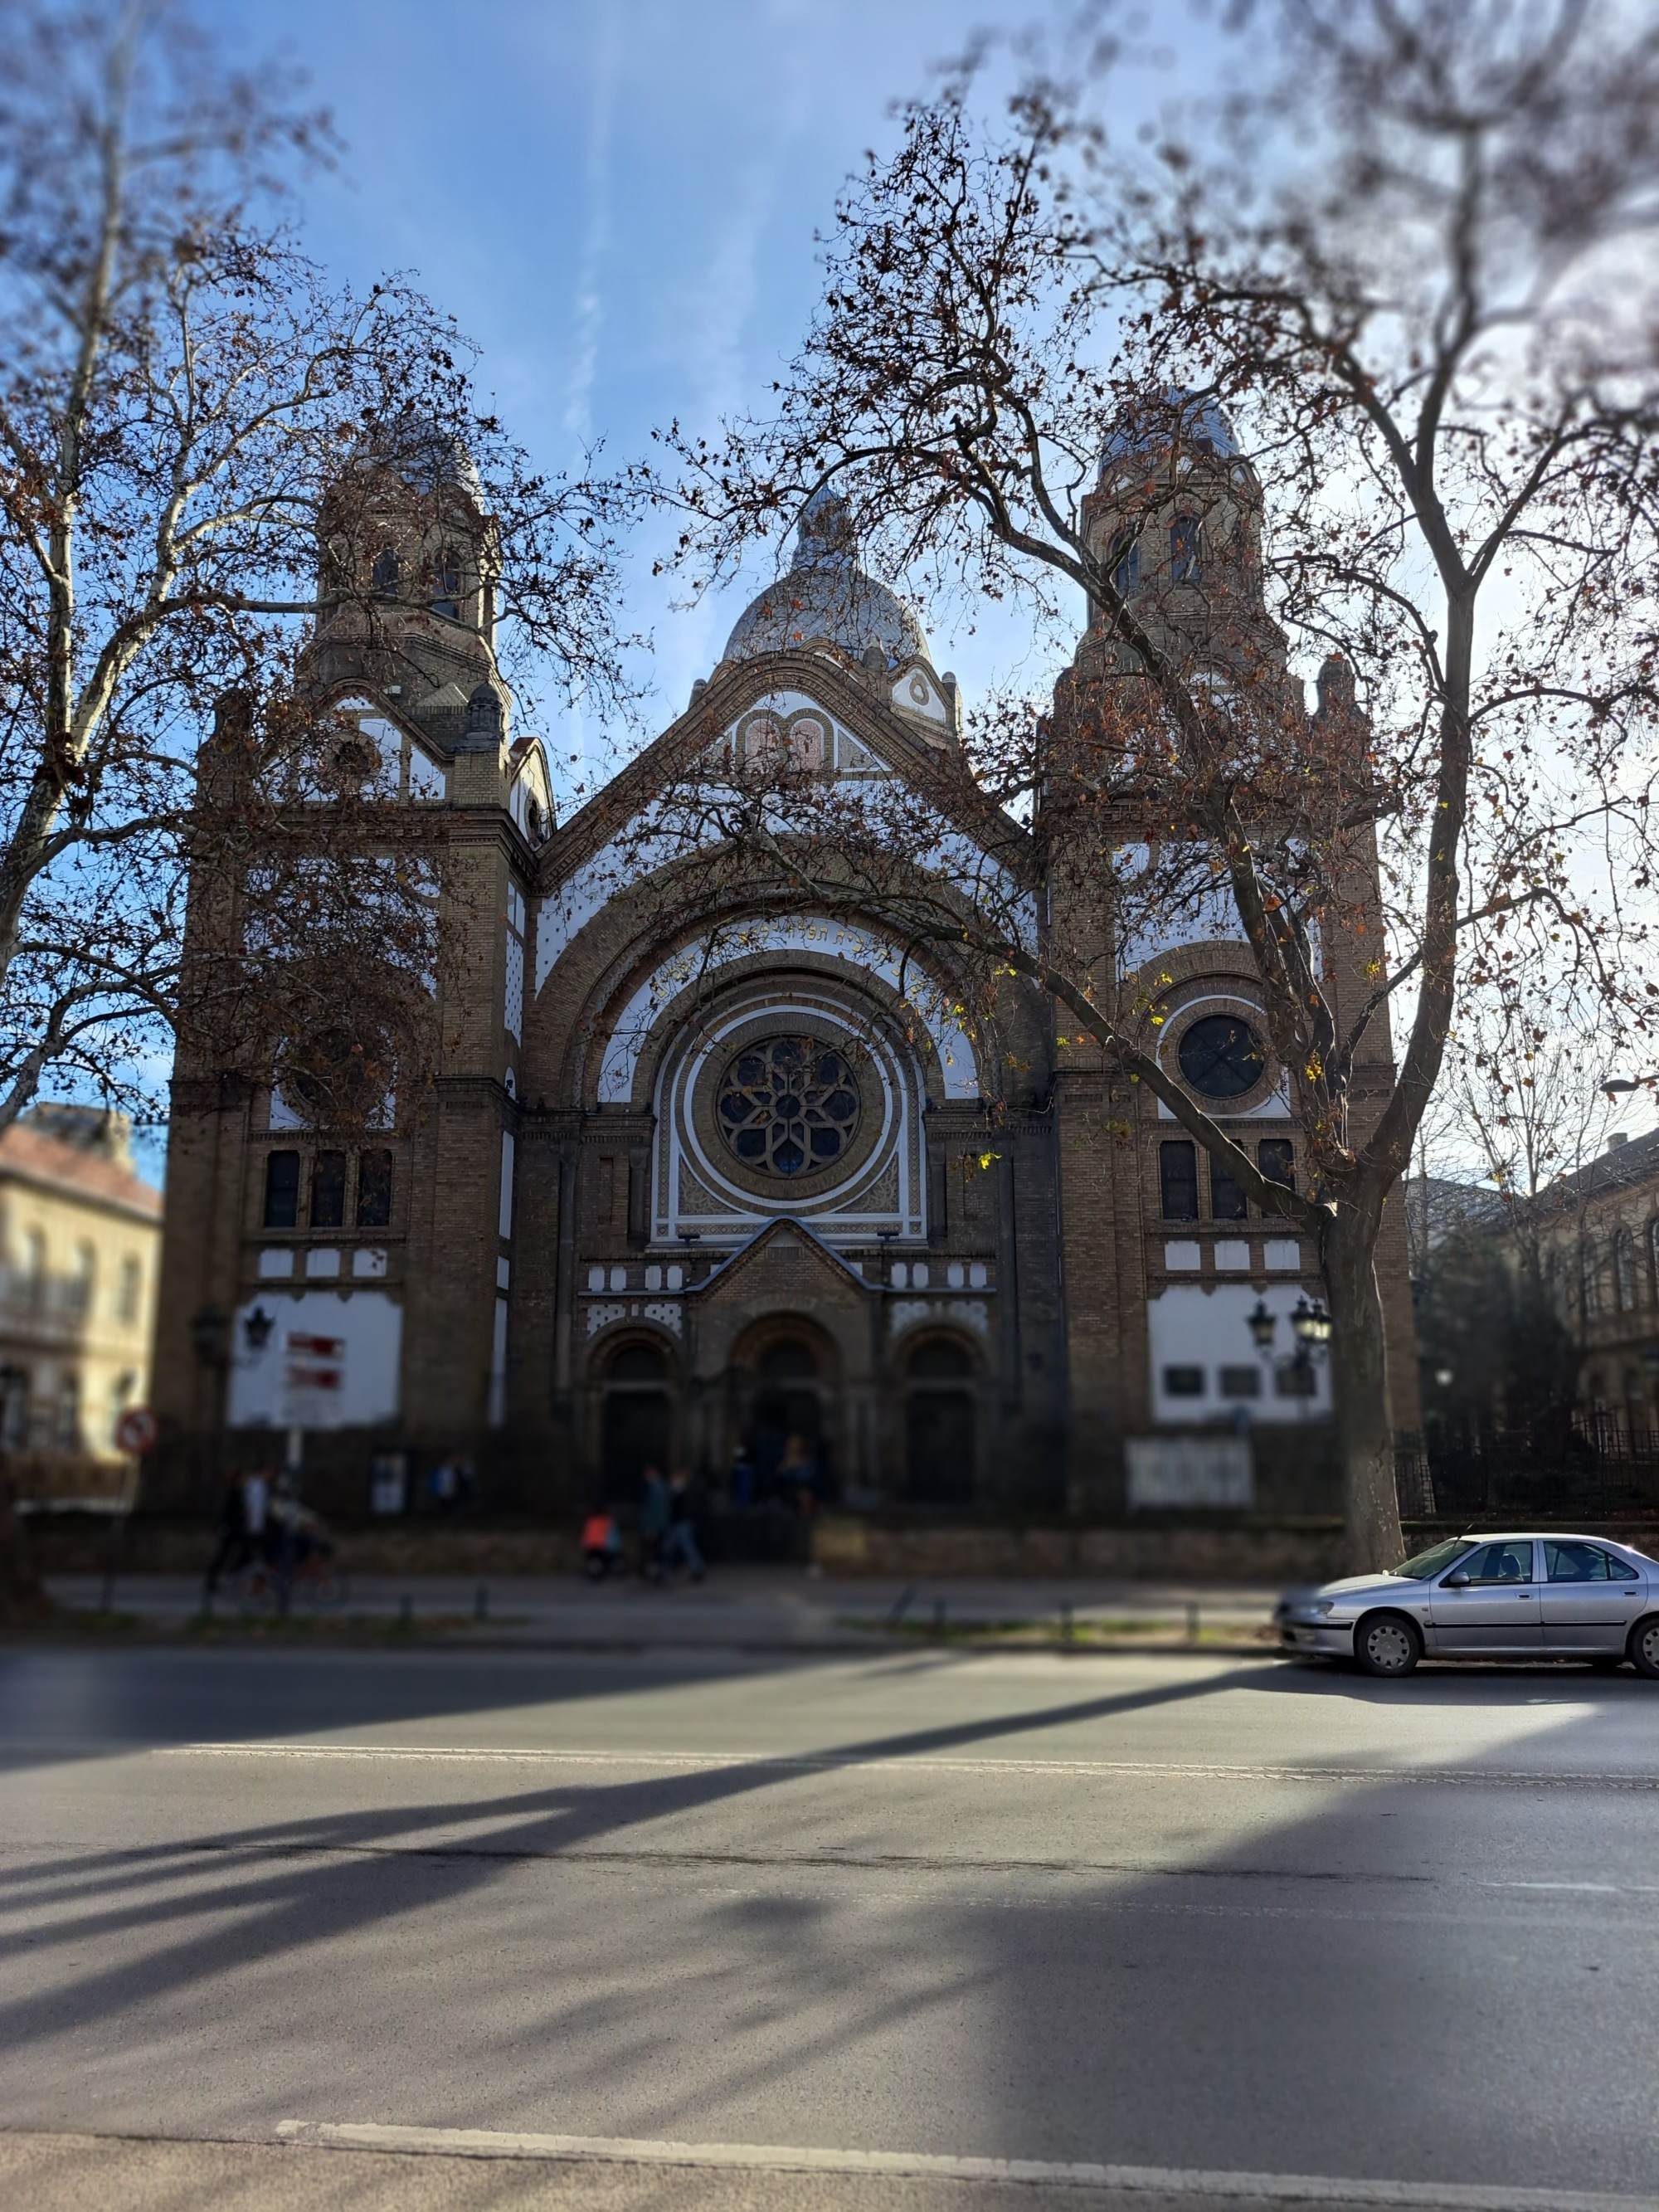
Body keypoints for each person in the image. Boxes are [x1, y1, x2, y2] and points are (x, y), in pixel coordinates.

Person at [203, 1470, 250, 1598]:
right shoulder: (233, 1493)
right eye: (243, 1479)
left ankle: (232, 1573)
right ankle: (217, 1579)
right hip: (231, 1529)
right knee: (223, 1554)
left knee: (231, 1553)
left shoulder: (239, 1493)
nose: (245, 1482)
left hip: (234, 1529)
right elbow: (227, 1512)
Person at [661, 1469, 706, 1581]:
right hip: (679, 1523)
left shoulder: (685, 1493)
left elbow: (683, 1509)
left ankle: (664, 1570)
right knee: (678, 1547)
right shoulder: (677, 1492)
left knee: (681, 1547)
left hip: (682, 1523)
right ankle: (696, 1568)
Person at [638, 1466, 671, 1582]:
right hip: (657, 1525)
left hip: (655, 1526)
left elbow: (656, 1511)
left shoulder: (657, 1489)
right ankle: (657, 1573)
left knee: (655, 1552)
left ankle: (657, 1573)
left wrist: (652, 1528)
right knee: (657, 1551)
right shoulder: (659, 1488)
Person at [581, 1507, 624, 1580]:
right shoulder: (607, 1521)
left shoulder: (591, 1520)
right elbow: (613, 1535)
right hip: (601, 1545)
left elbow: (587, 1534)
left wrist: (585, 1544)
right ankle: (602, 1571)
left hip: (592, 1545)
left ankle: (594, 1572)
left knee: (593, 1560)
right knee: (604, 1560)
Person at [727, 1441, 757, 1510]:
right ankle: (741, 1504)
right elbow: (738, 1457)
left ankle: (743, 1503)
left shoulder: (747, 1447)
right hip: (742, 1468)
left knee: (744, 1486)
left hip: (745, 1468)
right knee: (742, 1486)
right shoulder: (740, 1447)